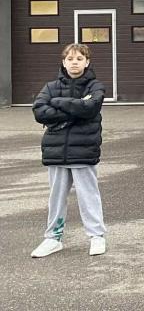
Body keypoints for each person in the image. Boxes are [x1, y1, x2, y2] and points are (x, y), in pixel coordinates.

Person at [30, 43, 107, 258]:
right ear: (64, 62)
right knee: (56, 197)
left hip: (84, 151)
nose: (75, 62)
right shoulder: (50, 87)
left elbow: (90, 108)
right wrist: (75, 107)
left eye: (79, 59)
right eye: (70, 59)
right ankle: (53, 238)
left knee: (88, 196)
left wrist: (58, 103)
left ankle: (96, 236)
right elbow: (40, 112)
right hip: (56, 152)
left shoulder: (95, 86)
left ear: (87, 62)